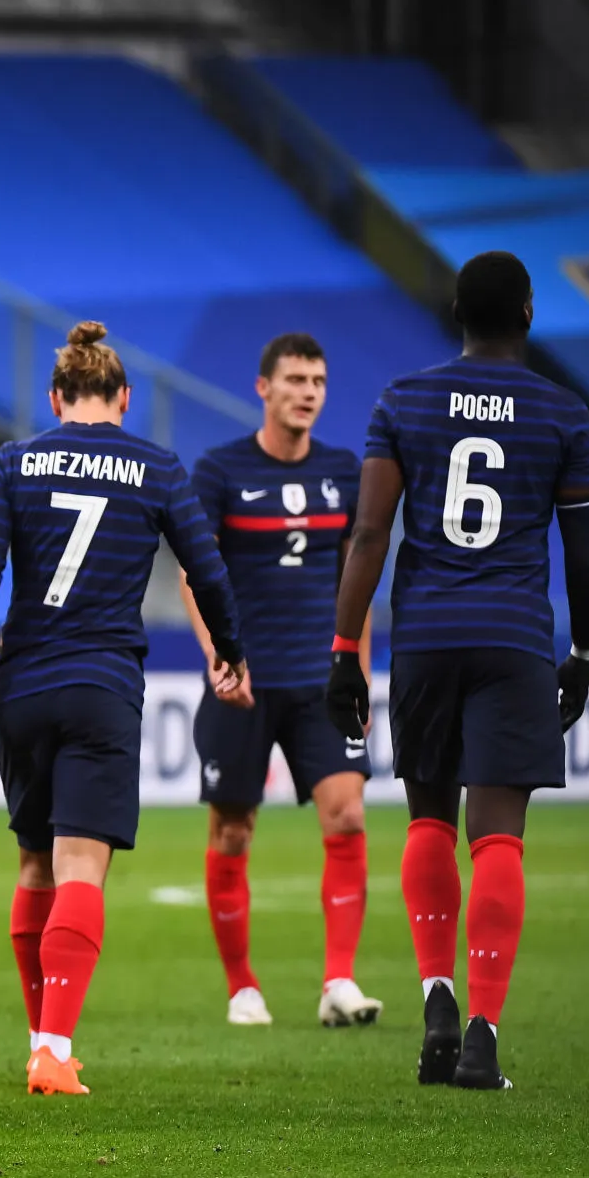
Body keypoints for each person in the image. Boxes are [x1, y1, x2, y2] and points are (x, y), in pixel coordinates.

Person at [0, 322, 246, 1096]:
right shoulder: (155, 466)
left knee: (34, 861)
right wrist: (229, 649)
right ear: (124, 398)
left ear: (54, 399)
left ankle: (38, 1040)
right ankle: (52, 1047)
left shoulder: (14, 461)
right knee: (81, 865)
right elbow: (207, 571)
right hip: (102, 683)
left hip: (22, 682)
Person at [326, 250, 589, 1090]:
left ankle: (435, 998)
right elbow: (583, 556)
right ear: (526, 313)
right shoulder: (562, 413)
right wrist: (582, 654)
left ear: (454, 312)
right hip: (512, 638)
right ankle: (481, 1036)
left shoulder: (401, 401)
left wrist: (343, 650)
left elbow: (369, 534)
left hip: (426, 636)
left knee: (429, 819)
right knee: (497, 834)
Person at [179, 334, 382, 1029]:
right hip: (244, 681)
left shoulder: (343, 471)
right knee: (233, 831)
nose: (308, 392)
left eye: (317, 381)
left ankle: (338, 981)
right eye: (294, 380)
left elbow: (356, 583)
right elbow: (194, 574)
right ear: (262, 388)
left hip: (320, 680)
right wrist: (219, 655)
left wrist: (359, 672)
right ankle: (242, 987)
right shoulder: (220, 469)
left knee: (347, 814)